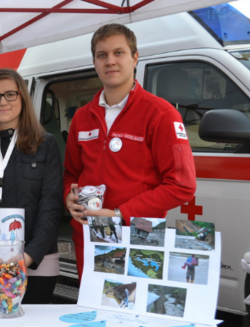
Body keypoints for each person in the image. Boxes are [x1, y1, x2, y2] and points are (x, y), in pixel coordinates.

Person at [63, 23, 196, 281]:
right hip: (90, 235)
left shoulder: (161, 114)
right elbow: (71, 173)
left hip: (138, 234)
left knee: (135, 313)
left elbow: (182, 185)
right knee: (94, 315)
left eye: (118, 53)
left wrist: (119, 214)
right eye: (102, 55)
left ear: (135, 58)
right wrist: (68, 196)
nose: (110, 61)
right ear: (94, 62)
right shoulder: (82, 117)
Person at [0, 68, 63, 304]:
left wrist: (27, 257)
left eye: (10, 94)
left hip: (37, 263)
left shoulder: (45, 144)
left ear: (22, 98)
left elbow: (51, 205)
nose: (2, 102)